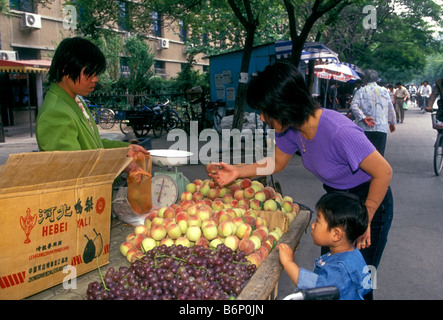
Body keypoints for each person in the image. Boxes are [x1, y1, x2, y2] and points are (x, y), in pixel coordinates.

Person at [210, 61, 394, 299]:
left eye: (266, 111)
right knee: (328, 281)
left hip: (369, 201)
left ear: (283, 105)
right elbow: (276, 162)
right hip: (336, 203)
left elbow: (384, 172)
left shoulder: (338, 130)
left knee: (356, 284)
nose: (264, 118)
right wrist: (236, 171)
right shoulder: (290, 129)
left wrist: (366, 217)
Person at [36, 37, 147, 175]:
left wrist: (125, 149)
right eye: (89, 73)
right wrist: (120, 164)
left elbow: (92, 146)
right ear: (65, 69)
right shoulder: (55, 113)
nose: (95, 79)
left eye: (96, 74)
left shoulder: (74, 100)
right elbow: (72, 168)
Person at [278, 192, 372, 300]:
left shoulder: (340, 269)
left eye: (318, 220)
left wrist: (288, 263)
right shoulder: (353, 255)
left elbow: (315, 288)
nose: (313, 225)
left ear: (336, 235)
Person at [350, 69, 396, 156]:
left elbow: (353, 106)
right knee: (379, 155)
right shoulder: (384, 91)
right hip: (381, 128)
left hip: (364, 128)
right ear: (376, 79)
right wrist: (392, 122)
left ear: (365, 79)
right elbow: (390, 107)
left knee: (364, 156)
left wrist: (363, 117)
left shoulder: (361, 91)